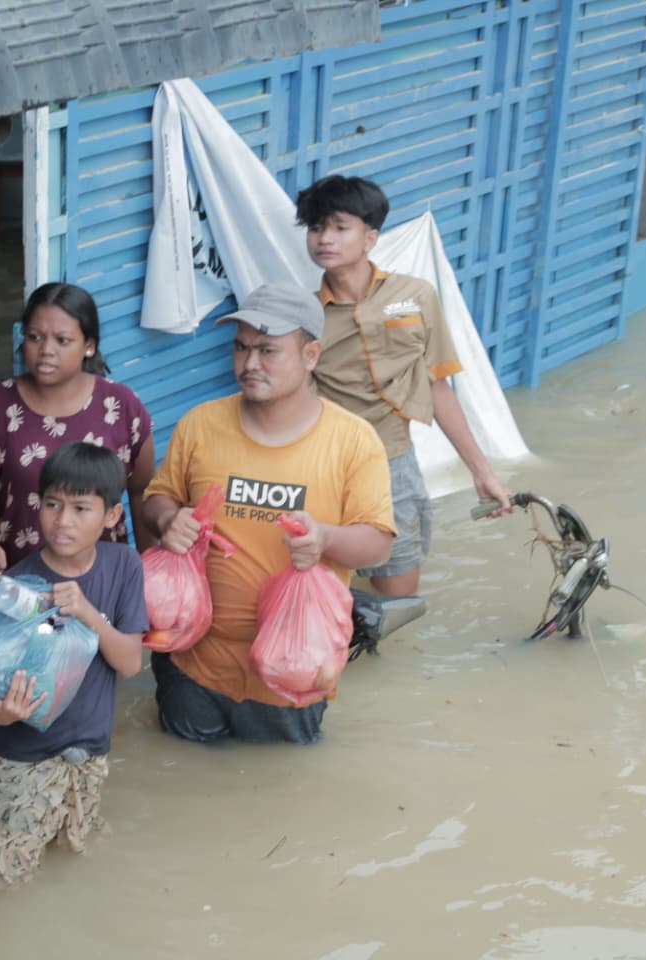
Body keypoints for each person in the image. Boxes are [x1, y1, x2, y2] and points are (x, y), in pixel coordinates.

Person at [142, 283, 396, 745]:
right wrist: (167, 520)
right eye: (241, 347)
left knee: (280, 780)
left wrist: (325, 539)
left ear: (311, 355)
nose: (249, 363)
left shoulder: (353, 441)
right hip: (193, 662)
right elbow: (158, 498)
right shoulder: (201, 425)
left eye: (267, 350)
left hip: (292, 671)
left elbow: (378, 544)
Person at [297, 175, 512, 598]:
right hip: (324, 469)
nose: (325, 239)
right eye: (316, 228)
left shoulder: (416, 296)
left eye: (340, 227)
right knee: (324, 593)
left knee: (398, 598)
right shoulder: (303, 314)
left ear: (370, 237)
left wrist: (482, 472)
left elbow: (437, 388)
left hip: (393, 464)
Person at [0, 442, 146, 889]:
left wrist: (86, 613)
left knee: (75, 850)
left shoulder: (124, 565)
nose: (62, 520)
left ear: (111, 516)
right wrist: (1, 713)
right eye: (52, 504)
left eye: (81, 508)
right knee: (2, 874)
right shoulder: (18, 587)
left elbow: (130, 664)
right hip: (23, 757)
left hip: (89, 752)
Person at [0, 282, 155, 577]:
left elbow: (141, 490)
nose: (46, 350)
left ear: (89, 346)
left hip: (102, 580)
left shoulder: (120, 405)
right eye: (34, 337)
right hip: (21, 579)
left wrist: (148, 569)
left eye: (62, 340)